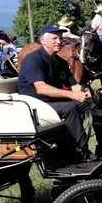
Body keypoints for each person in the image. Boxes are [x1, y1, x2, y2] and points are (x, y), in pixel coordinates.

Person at [17, 25, 94, 153]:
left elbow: (74, 86)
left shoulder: (61, 62)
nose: (59, 41)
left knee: (94, 103)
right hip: (36, 104)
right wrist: (71, 95)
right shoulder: (33, 60)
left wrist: (87, 91)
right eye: (54, 38)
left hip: (53, 100)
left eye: (60, 38)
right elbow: (41, 89)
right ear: (43, 41)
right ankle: (82, 151)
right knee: (70, 108)